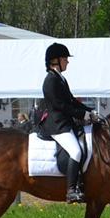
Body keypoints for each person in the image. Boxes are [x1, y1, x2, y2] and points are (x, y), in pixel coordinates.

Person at [42, 41, 93, 203]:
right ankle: (71, 190)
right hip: (57, 125)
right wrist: (82, 114)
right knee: (76, 151)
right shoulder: (51, 80)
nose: (67, 62)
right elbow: (60, 105)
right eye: (65, 59)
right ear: (55, 60)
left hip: (66, 123)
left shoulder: (60, 78)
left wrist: (90, 111)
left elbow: (71, 101)